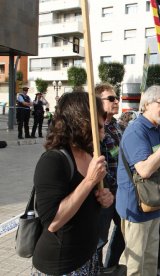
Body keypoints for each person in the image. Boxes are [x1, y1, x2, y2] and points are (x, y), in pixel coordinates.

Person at [32, 92, 114, 275]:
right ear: (81, 123)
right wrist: (90, 180)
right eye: (99, 127)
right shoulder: (53, 160)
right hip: (61, 265)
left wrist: (106, 198)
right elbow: (53, 222)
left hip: (87, 256)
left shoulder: (90, 154)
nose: (103, 134)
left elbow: (100, 197)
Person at [116, 85, 160, 275]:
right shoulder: (136, 131)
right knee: (136, 264)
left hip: (153, 204)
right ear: (146, 104)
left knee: (150, 259)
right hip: (136, 207)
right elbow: (145, 170)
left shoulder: (156, 129)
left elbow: (158, 167)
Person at [95, 84, 125, 272]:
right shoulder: (94, 127)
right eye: (111, 99)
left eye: (117, 98)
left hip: (122, 190)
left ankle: (110, 266)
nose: (116, 101)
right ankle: (96, 269)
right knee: (99, 239)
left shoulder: (118, 125)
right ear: (98, 102)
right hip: (104, 192)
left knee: (124, 231)